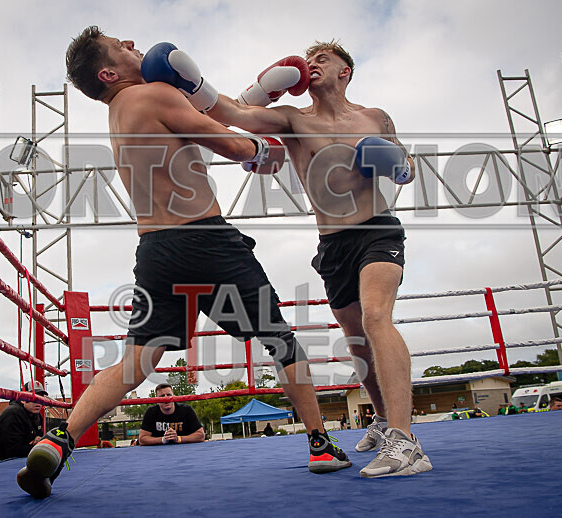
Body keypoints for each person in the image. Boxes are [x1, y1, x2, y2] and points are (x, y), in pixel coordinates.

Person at [17, 27, 351, 499]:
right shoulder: (154, 93)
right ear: (108, 72)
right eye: (120, 46)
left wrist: (246, 98)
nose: (133, 43)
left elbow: (214, 114)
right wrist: (262, 152)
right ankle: (319, 443)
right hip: (205, 239)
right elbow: (231, 144)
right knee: (280, 340)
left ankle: (59, 439)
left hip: (155, 249)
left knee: (137, 360)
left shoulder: (120, 113)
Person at [204, 39, 429, 478]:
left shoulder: (375, 117)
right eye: (309, 61)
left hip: (377, 229)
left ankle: (406, 442)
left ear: (345, 72)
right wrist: (212, 84)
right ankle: (382, 421)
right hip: (331, 244)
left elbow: (409, 166)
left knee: (376, 317)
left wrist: (400, 164)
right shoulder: (290, 119)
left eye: (322, 59)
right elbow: (228, 114)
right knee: (357, 338)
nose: (312, 65)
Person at [0, 381, 47, 465]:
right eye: (33, 397)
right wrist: (38, 446)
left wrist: (38, 442)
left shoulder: (37, 415)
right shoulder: (12, 414)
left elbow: (36, 440)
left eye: (40, 398)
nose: (38, 402)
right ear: (23, 399)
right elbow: (13, 450)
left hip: (12, 463)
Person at [139, 383, 205, 446]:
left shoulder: (186, 410)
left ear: (174, 397)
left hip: (184, 450)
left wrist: (178, 438)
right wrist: (162, 440)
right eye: (162, 396)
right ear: (157, 400)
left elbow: (201, 435)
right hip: (158, 452)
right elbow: (142, 439)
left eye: (169, 395)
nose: (166, 398)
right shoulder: (151, 412)